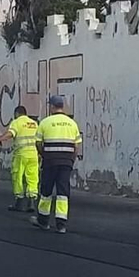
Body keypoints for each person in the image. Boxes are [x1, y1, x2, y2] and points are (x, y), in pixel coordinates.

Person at [35, 95, 82, 233]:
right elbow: (76, 145)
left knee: (46, 191)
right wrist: (71, 160)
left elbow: (38, 142)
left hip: (50, 161)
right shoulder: (72, 123)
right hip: (66, 162)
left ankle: (43, 221)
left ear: (52, 107)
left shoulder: (45, 122)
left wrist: (44, 155)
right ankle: (61, 224)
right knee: (63, 192)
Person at [0, 105, 40, 212]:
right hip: (33, 154)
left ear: (17, 113)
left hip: (21, 154)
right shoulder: (34, 123)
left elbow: (11, 134)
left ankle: (19, 202)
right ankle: (31, 202)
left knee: (17, 176)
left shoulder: (17, 122)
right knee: (32, 177)